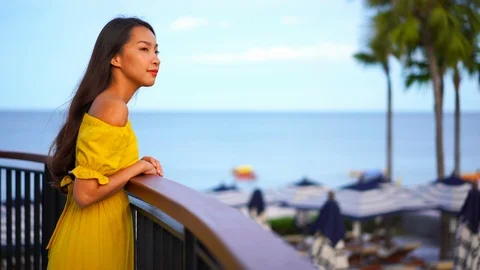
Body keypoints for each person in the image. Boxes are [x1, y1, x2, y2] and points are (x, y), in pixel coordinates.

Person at [46, 17, 163, 269]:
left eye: (156, 50)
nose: (155, 59)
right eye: (144, 49)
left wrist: (137, 164)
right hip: (93, 241)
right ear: (115, 58)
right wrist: (138, 167)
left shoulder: (105, 102)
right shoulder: (112, 107)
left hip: (93, 232)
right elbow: (85, 193)